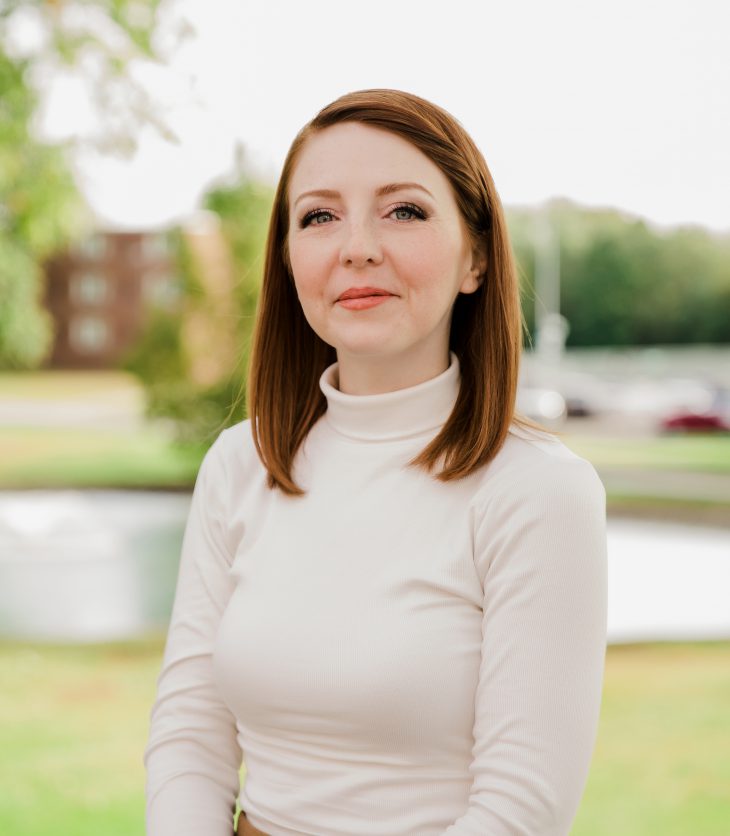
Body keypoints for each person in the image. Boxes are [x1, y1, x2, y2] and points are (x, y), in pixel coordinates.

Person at [144, 88, 607, 836]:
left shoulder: (540, 491)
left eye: (405, 211)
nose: (356, 245)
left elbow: (522, 807)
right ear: (291, 260)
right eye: (319, 216)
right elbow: (189, 736)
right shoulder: (240, 463)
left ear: (476, 258)